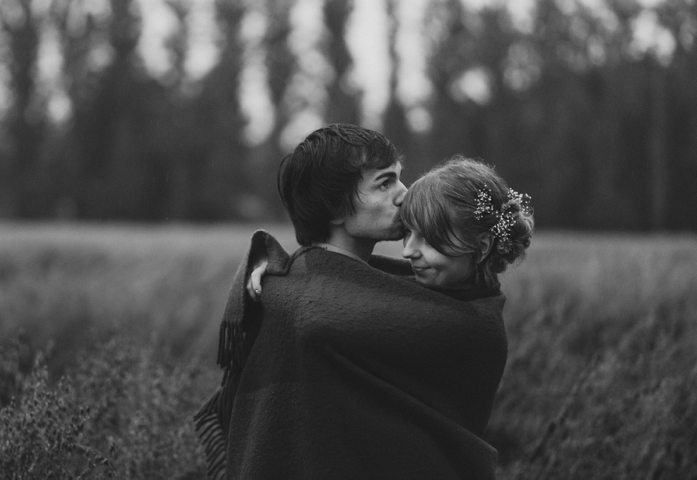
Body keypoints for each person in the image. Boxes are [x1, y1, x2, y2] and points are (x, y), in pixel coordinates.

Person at [195, 124, 534, 479]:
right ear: (335, 206)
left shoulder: (409, 288)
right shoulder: (291, 300)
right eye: (385, 183)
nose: (404, 194)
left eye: (400, 179)